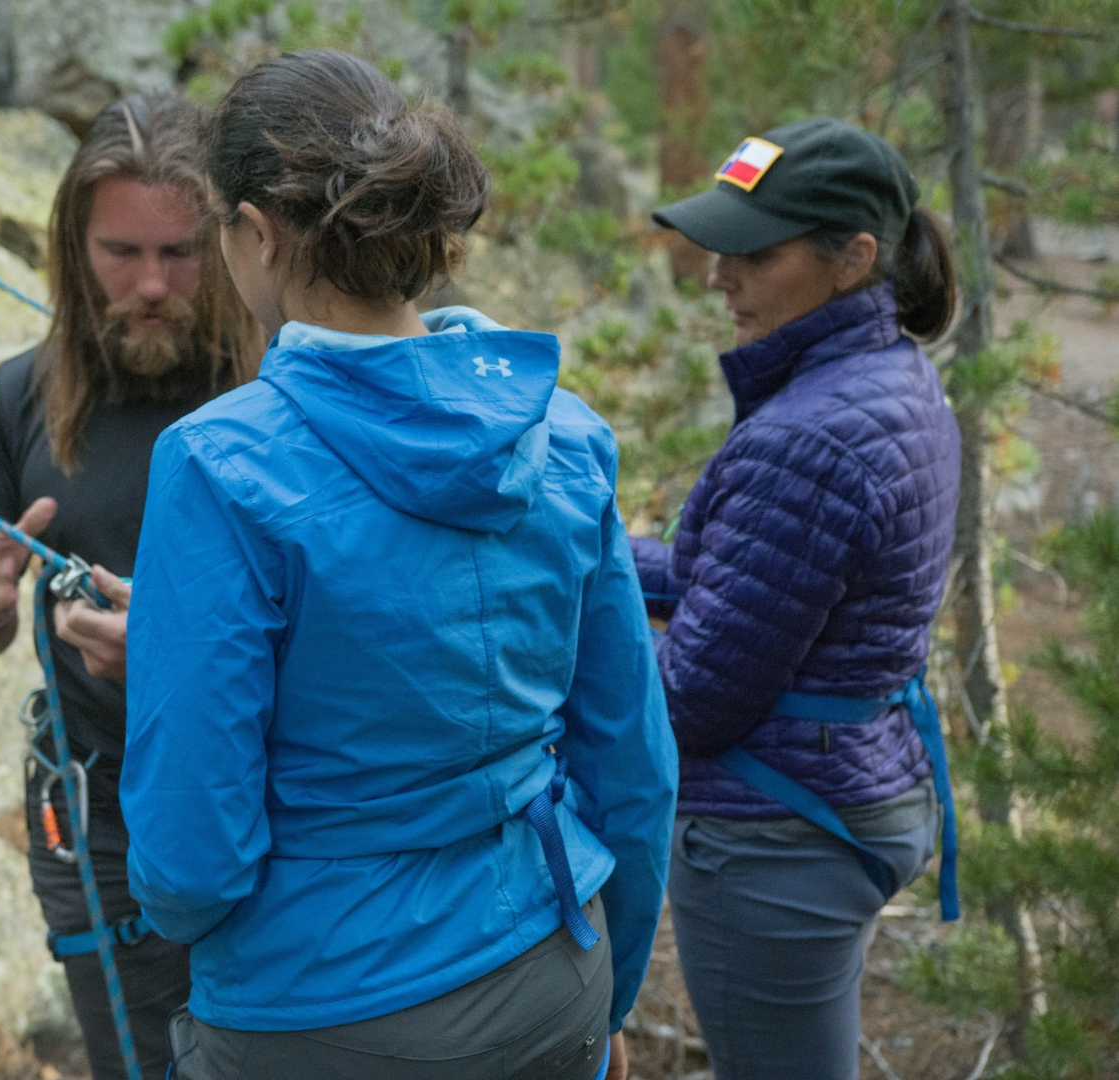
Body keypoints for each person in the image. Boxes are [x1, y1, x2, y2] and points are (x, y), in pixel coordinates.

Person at [119, 50, 678, 1080]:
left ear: (256, 234)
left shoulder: (218, 463)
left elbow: (192, 851)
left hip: (318, 1006)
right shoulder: (563, 434)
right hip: (552, 964)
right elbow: (632, 767)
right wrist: (609, 992)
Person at [0, 91, 260, 1080]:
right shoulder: (26, 394)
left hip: (275, 804)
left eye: (179, 253)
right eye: (121, 253)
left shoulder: (276, 389)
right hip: (99, 823)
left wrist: (167, 652)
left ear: (231, 243)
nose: (151, 284)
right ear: (74, 250)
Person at [636, 117, 962, 1080]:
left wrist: (527, 647)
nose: (716, 275)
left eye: (753, 253)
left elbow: (691, 698)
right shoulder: (886, 378)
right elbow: (743, 579)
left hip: (776, 835)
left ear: (851, 258)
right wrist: (576, 548)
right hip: (846, 782)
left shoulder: (808, 437)